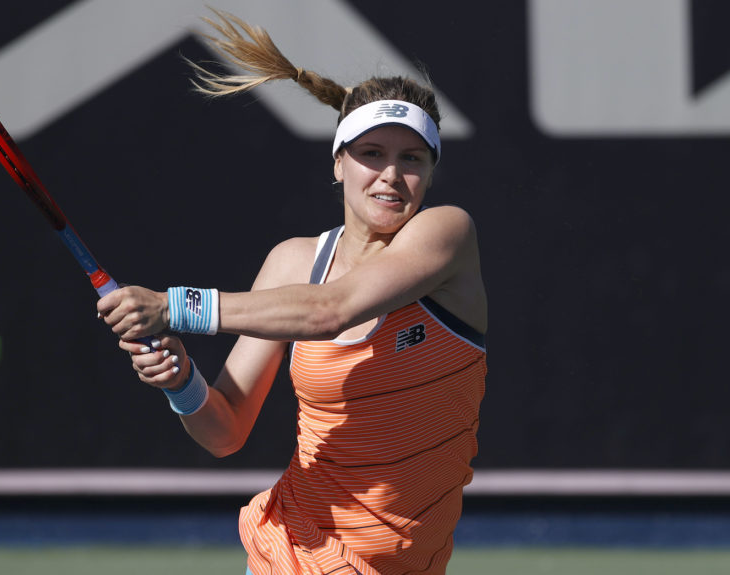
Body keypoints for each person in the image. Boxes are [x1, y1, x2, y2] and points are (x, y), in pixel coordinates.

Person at [97, 10, 487, 575]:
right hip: (297, 548)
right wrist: (183, 382)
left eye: (411, 159)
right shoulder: (293, 262)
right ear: (338, 164)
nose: (390, 175)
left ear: (430, 173)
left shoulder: (447, 235)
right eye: (371, 154)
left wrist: (173, 306)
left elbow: (331, 310)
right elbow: (225, 431)